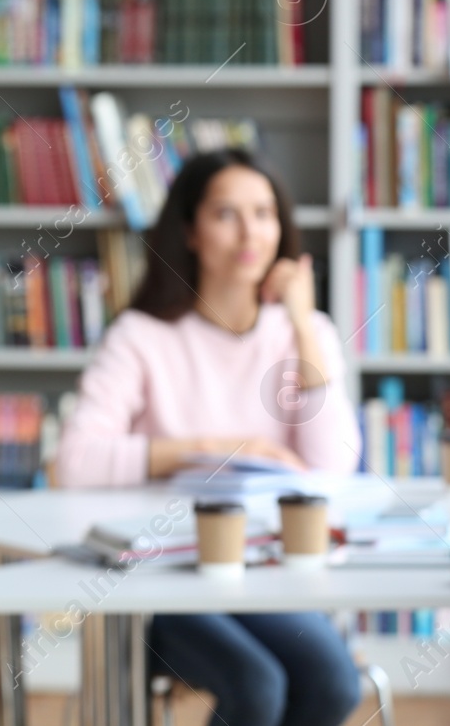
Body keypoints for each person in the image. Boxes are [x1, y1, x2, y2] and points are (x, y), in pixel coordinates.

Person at [56, 148, 362, 726]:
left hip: (266, 573)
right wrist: (225, 450)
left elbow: (331, 466)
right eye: (226, 214)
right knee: (258, 686)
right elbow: (74, 462)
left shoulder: (307, 336)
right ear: (190, 231)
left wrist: (301, 321)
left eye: (264, 212)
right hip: (166, 579)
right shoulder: (142, 337)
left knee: (334, 686)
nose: (251, 231)